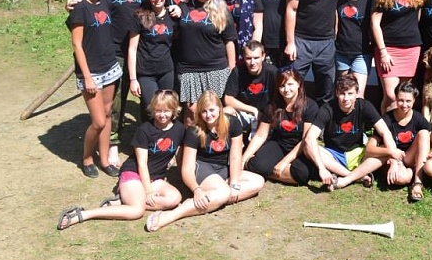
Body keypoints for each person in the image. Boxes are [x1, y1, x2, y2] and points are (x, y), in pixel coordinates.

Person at [66, 0, 150, 166]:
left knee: (146, 97)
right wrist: (72, 3)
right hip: (114, 50)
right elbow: (89, 2)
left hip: (142, 48)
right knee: (115, 103)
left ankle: (148, 139)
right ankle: (112, 143)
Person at [57, 90, 185, 230]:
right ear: (153, 109)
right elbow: (142, 163)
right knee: (137, 211)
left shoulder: (179, 129)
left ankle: (124, 201)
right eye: (158, 110)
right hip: (134, 173)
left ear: (174, 110)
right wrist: (148, 191)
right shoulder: (145, 130)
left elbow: (179, 153)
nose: (162, 115)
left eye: (167, 111)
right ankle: (83, 214)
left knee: (174, 199)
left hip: (156, 177)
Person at [144, 91, 264, 232]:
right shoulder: (194, 131)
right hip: (202, 167)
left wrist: (234, 183)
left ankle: (215, 196)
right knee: (224, 192)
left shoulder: (233, 123)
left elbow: (235, 157)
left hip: (223, 168)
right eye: (204, 111)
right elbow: (187, 168)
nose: (208, 115)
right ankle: (172, 215)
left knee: (258, 181)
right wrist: (197, 189)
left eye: (212, 110)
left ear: (220, 108)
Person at [66, 0, 124, 178]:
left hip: (110, 67)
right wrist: (87, 77)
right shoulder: (80, 7)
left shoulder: (106, 1)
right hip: (91, 73)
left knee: (108, 114)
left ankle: (105, 160)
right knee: (98, 121)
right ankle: (87, 158)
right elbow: (77, 44)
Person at [333, 81, 430, 202]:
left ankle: (418, 183)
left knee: (424, 133)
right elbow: (369, 149)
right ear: (395, 98)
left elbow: (430, 141)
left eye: (408, 101)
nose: (404, 105)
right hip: (390, 159)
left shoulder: (419, 118)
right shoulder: (387, 119)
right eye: (400, 100)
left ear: (414, 100)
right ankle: (412, 172)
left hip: (408, 156)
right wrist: (391, 155)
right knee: (402, 179)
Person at [303, 73, 397, 190]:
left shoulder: (364, 106)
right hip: (334, 155)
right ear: (337, 93)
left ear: (357, 93)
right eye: (342, 93)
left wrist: (394, 160)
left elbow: (385, 132)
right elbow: (310, 137)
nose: (346, 98)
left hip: (359, 154)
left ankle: (345, 179)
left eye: (350, 93)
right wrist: (321, 168)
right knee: (307, 147)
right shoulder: (327, 108)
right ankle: (357, 176)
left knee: (385, 150)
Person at [175, 0, 237, 125]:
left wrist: (231, 68)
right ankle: (190, 140)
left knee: (213, 112)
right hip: (188, 68)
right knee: (191, 112)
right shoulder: (184, 5)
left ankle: (214, 140)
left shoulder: (221, 10)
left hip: (216, 67)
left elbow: (229, 41)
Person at [284, 0, 341, 103]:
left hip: (327, 43)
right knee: (293, 86)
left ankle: (322, 119)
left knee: (327, 90)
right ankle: (293, 117)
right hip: (301, 41)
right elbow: (291, 9)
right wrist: (290, 42)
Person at [243, 70, 319, 185]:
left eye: (290, 84)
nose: (286, 89)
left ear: (298, 84)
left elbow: (305, 140)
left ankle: (267, 170)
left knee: (302, 174)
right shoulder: (273, 105)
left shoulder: (310, 106)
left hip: (299, 147)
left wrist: (284, 162)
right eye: (282, 86)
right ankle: (264, 169)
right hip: (278, 143)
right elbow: (260, 135)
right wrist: (244, 159)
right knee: (257, 165)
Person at [371, 0, 425, 112]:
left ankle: (401, 125)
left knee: (404, 95)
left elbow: (417, 17)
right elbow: (375, 23)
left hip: (411, 49)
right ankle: (386, 126)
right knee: (390, 95)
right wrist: (383, 52)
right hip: (388, 50)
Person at [127, 0, 178, 119]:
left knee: (166, 109)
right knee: (153, 110)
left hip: (166, 71)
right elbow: (132, 49)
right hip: (146, 72)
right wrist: (133, 79)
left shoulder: (172, 16)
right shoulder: (140, 16)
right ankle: (148, 133)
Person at [223, 41, 278, 139]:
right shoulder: (238, 72)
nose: (252, 62)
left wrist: (266, 114)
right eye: (248, 58)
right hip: (245, 112)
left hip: (266, 115)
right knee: (226, 112)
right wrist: (252, 110)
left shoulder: (272, 72)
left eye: (256, 58)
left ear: (263, 56)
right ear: (244, 58)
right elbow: (228, 99)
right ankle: (235, 142)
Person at [336, 0, 372, 97]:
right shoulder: (339, 0)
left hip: (361, 53)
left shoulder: (368, 1)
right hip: (341, 52)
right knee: (343, 93)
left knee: (358, 94)